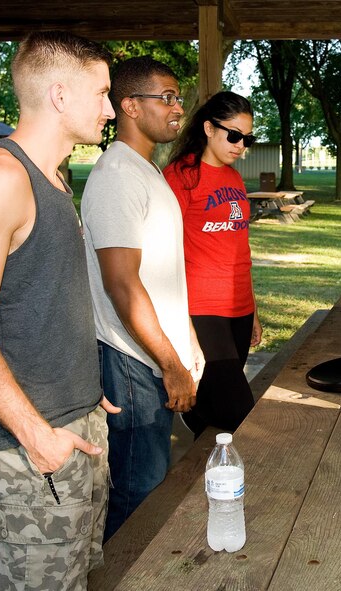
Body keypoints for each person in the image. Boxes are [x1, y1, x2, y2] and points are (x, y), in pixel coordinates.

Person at [0, 31, 118, 589]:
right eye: (103, 93)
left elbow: (40, 297)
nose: (111, 109)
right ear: (61, 95)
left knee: (75, 576)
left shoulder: (56, 178)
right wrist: (36, 435)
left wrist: (84, 389)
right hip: (33, 441)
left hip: (78, 421)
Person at [81, 56, 204, 541]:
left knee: (150, 484)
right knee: (139, 492)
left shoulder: (147, 171)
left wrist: (187, 341)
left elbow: (163, 274)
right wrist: (170, 364)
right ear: (129, 106)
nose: (178, 109)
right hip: (132, 362)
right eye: (166, 97)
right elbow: (122, 284)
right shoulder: (117, 176)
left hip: (154, 356)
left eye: (179, 98)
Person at [163, 91, 261, 437]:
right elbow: (164, 251)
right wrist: (179, 321)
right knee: (240, 414)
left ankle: (205, 481)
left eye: (247, 138)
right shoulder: (180, 177)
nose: (240, 145)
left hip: (239, 308)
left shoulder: (234, 179)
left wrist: (254, 311)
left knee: (216, 417)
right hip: (203, 309)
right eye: (233, 135)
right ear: (208, 127)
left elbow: (239, 248)